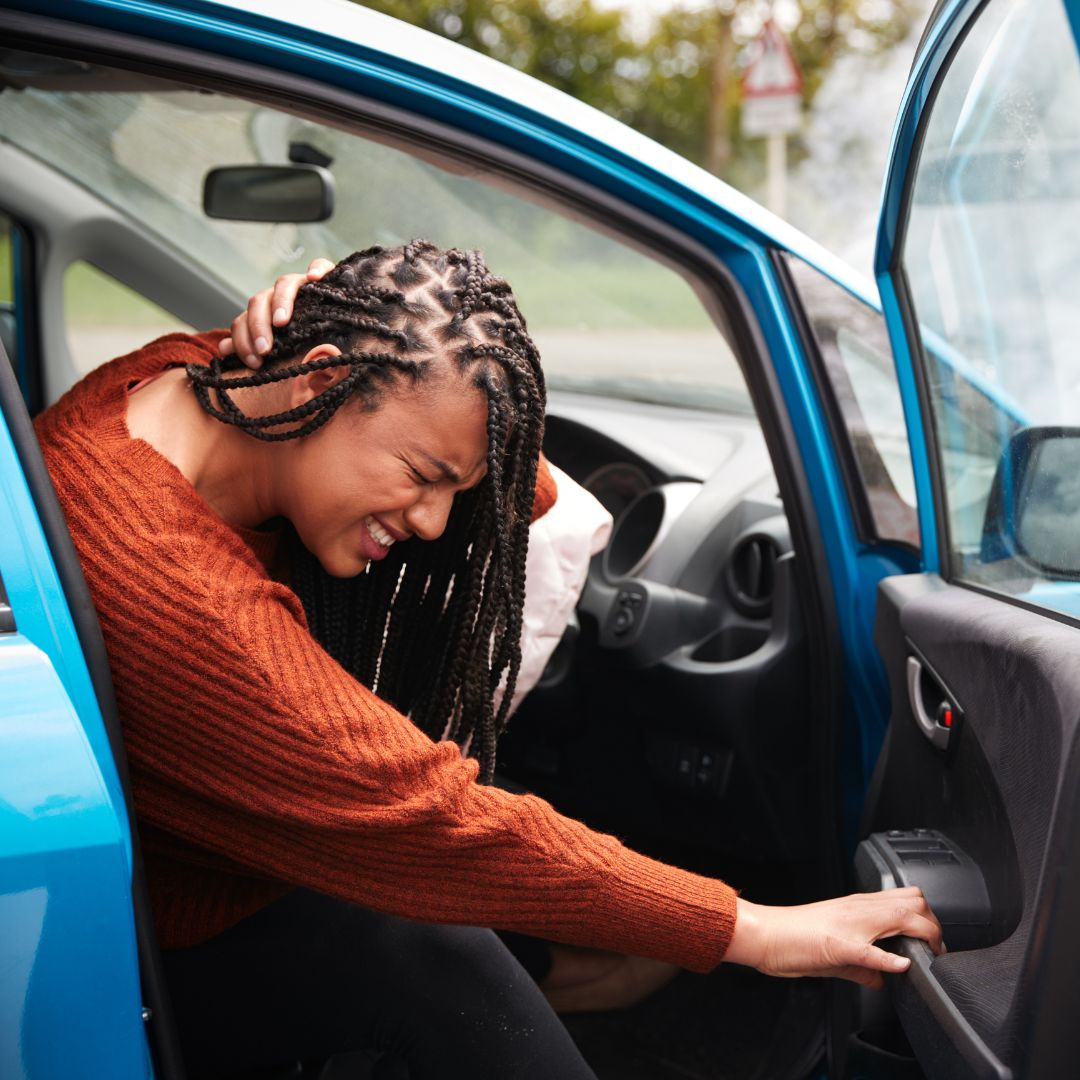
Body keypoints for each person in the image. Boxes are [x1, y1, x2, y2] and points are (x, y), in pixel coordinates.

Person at [36, 242, 942, 1079]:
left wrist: (340, 336)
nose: (433, 521)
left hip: (211, 870)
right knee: (444, 954)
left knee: (465, 951)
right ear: (319, 376)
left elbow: (520, 487)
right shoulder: (178, 596)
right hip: (165, 939)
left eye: (449, 488)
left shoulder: (181, 376)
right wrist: (757, 930)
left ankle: (592, 968)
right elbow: (436, 815)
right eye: (421, 474)